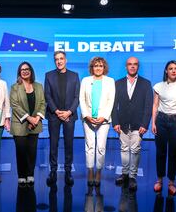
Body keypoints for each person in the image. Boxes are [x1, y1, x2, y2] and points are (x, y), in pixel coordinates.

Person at [111, 57, 153, 191]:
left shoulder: (146, 84)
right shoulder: (118, 83)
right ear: (126, 67)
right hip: (122, 123)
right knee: (124, 148)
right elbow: (113, 105)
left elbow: (148, 106)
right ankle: (124, 174)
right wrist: (115, 121)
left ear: (138, 67)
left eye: (135, 64)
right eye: (130, 64)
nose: (132, 66)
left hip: (138, 124)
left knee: (135, 149)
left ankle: (133, 177)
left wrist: (145, 124)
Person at [152, 60, 176, 196]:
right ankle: (159, 180)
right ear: (166, 71)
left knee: (174, 153)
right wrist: (153, 123)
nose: (173, 71)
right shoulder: (158, 86)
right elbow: (155, 105)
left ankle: (171, 182)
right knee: (160, 152)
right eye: (170, 68)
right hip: (161, 121)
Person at [44, 51, 80, 186]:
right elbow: (47, 95)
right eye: (56, 59)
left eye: (61, 59)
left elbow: (77, 97)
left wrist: (69, 112)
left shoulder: (74, 76)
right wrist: (57, 111)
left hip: (69, 116)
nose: (59, 61)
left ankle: (68, 171)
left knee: (69, 144)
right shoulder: (49, 75)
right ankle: (52, 171)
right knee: (53, 144)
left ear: (66, 60)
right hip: (54, 115)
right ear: (55, 61)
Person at [79, 56, 115, 187]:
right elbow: (81, 99)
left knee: (101, 147)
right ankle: (90, 171)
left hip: (103, 120)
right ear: (92, 68)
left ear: (104, 68)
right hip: (88, 119)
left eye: (100, 66)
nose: (98, 68)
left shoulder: (110, 81)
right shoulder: (85, 80)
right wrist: (86, 115)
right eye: (95, 66)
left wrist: (104, 117)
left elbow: (111, 100)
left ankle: (98, 172)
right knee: (89, 146)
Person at [10, 62, 45, 186]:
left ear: (31, 71)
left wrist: (37, 118)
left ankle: (30, 174)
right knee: (21, 151)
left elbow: (42, 103)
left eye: (27, 69)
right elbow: (15, 105)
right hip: (20, 124)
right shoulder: (15, 87)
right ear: (19, 72)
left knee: (32, 151)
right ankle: (22, 175)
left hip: (35, 123)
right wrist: (29, 118)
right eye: (22, 69)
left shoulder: (39, 86)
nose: (25, 71)